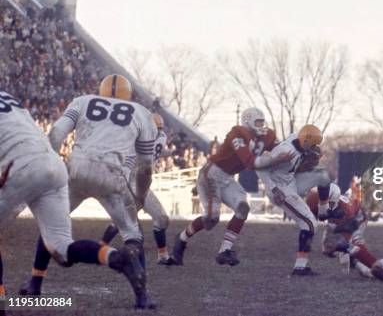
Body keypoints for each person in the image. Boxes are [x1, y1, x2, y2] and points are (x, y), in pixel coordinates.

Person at [18, 75, 158, 308]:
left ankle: (35, 283)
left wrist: (52, 164)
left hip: (77, 169)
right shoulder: (142, 113)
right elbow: (146, 167)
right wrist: (140, 197)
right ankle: (142, 297)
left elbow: (55, 133)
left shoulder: (83, 101)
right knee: (133, 235)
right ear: (129, 95)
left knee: (52, 225)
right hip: (112, 175)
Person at [171, 107, 282, 267]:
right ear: (247, 122)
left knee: (243, 208)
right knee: (212, 218)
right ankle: (181, 238)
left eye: (261, 122)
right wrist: (273, 160)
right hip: (211, 175)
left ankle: (225, 250)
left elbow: (281, 147)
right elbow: (249, 162)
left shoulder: (266, 135)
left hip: (228, 178)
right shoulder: (237, 133)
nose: (261, 125)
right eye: (257, 122)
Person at [256, 124, 332, 275]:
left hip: (290, 181)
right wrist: (273, 188)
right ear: (304, 141)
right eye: (312, 145)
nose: (314, 147)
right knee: (310, 224)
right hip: (280, 188)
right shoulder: (286, 151)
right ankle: (300, 266)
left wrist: (309, 159)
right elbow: (260, 167)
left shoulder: (297, 139)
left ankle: (324, 212)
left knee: (323, 176)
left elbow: (298, 145)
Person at [100, 112, 173, 265]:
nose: (156, 132)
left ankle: (162, 255)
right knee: (152, 218)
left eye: (158, 129)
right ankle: (101, 247)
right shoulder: (139, 137)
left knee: (155, 219)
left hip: (142, 180)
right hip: (134, 180)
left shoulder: (156, 136)